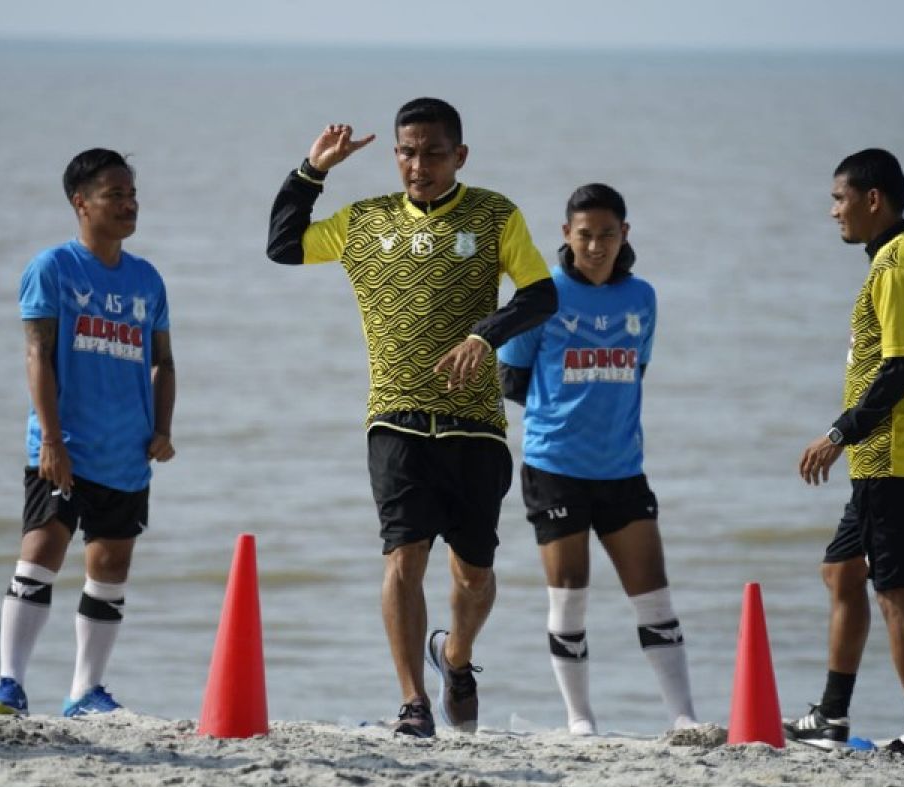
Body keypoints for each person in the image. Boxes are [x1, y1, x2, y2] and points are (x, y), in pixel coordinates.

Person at [266, 98, 556, 737]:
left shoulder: (493, 214)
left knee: (475, 575)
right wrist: (311, 172)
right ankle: (412, 702)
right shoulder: (364, 223)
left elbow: (541, 294)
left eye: (431, 152)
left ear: (460, 155)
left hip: (474, 423)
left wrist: (486, 335)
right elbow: (283, 246)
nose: (417, 164)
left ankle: (456, 657)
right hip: (394, 419)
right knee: (403, 557)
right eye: (406, 152)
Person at [497, 183, 697, 736]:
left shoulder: (642, 298)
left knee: (653, 594)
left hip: (622, 469)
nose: (595, 246)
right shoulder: (544, 294)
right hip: (554, 468)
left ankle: (682, 717)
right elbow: (510, 377)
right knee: (571, 598)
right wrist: (559, 414)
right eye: (584, 235)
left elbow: (637, 370)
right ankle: (580, 720)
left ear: (624, 235)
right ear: (566, 234)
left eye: (607, 234)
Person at [0, 148, 177, 718]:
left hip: (127, 452)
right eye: (114, 195)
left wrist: (162, 428)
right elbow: (36, 355)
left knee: (111, 567)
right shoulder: (53, 268)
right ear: (80, 202)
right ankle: (9, 685)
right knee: (41, 552)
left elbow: (163, 361)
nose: (128, 204)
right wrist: (50, 438)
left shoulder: (147, 279)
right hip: (65, 447)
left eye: (132, 194)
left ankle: (84, 691)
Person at [786, 148, 904, 759]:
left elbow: (903, 366)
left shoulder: (900, 264)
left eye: (840, 198)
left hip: (900, 457)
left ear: (872, 198)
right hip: (887, 460)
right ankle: (831, 715)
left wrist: (838, 434)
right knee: (840, 571)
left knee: (898, 591)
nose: (834, 211)